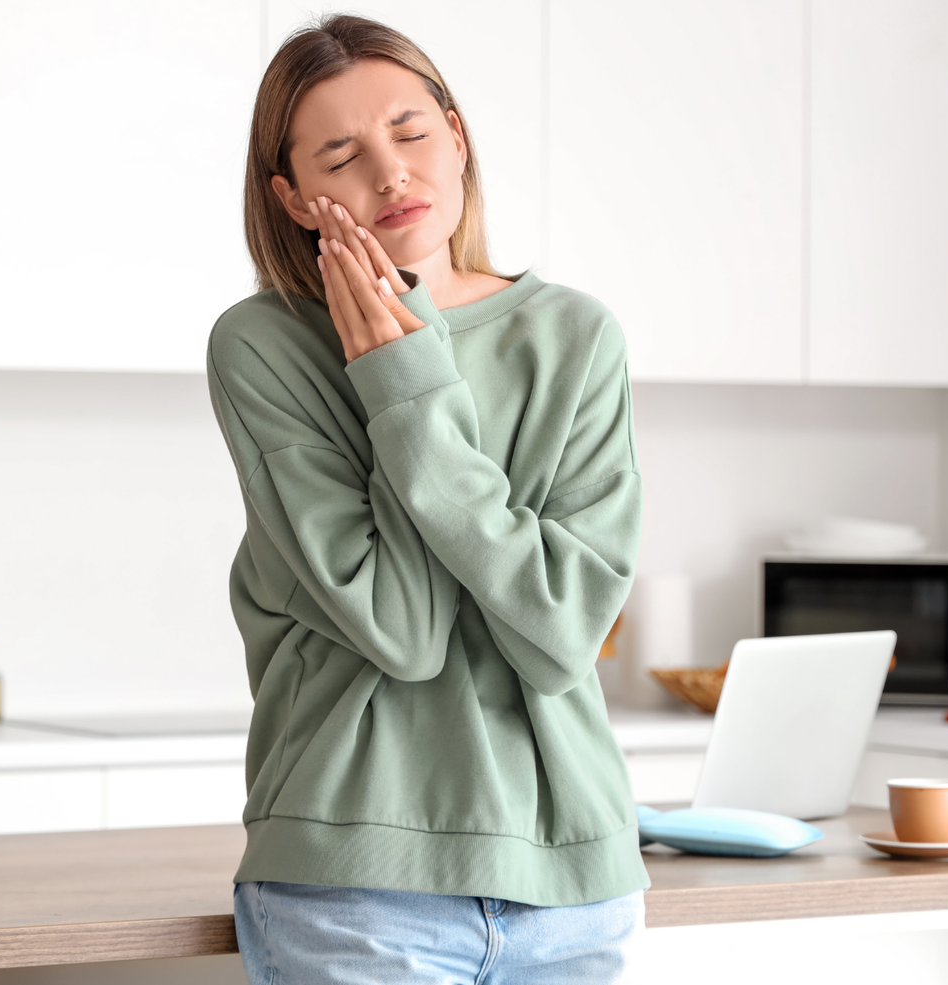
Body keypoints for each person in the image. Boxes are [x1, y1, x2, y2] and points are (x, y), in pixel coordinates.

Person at [206, 14, 647, 984]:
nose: (390, 174)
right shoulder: (264, 346)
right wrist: (400, 380)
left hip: (576, 890)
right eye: (340, 154)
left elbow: (563, 631)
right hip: (354, 888)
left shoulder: (574, 338)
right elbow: (401, 627)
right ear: (291, 196)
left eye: (410, 134)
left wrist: (408, 379)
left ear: (456, 137)